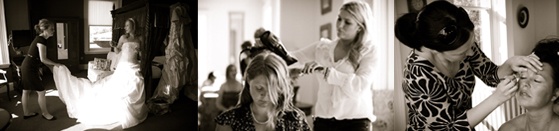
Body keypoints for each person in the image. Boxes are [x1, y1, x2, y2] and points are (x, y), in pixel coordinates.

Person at [394, 1, 543, 130]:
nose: (471, 53)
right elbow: (448, 127)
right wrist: (496, 98)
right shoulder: (417, 73)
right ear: (435, 50)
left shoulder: (461, 39)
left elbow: (490, 74)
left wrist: (510, 63)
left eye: (472, 45)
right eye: (464, 52)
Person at [290, 1, 376, 130]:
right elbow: (294, 58)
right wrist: (271, 47)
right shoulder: (322, 48)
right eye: (339, 18)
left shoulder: (369, 50)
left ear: (360, 27)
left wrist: (327, 72)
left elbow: (360, 85)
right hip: (323, 121)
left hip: (356, 122)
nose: (340, 25)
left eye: (347, 22)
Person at [52, 42, 147, 129]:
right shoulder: (123, 39)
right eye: (125, 25)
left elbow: (140, 55)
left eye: (128, 25)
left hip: (131, 66)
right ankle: (66, 77)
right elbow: (119, 53)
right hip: (125, 66)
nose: (126, 27)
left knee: (134, 82)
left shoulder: (139, 40)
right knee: (99, 89)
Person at [215, 51, 310, 131]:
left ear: (280, 87)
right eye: (259, 88)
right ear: (248, 80)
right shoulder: (228, 121)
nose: (265, 95)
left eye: (272, 89)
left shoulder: (296, 120)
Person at [498, 38, 559, 131]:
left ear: (555, 94)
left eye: (537, 80)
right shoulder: (507, 129)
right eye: (523, 77)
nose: (525, 84)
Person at [21, 19, 63, 121]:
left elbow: (42, 60)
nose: (53, 31)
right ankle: (45, 113)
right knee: (41, 91)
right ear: (44, 30)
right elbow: (43, 59)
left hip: (27, 65)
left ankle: (26, 113)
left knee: (26, 91)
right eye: (51, 29)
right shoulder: (41, 40)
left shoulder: (40, 39)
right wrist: (56, 64)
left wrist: (51, 67)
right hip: (29, 67)